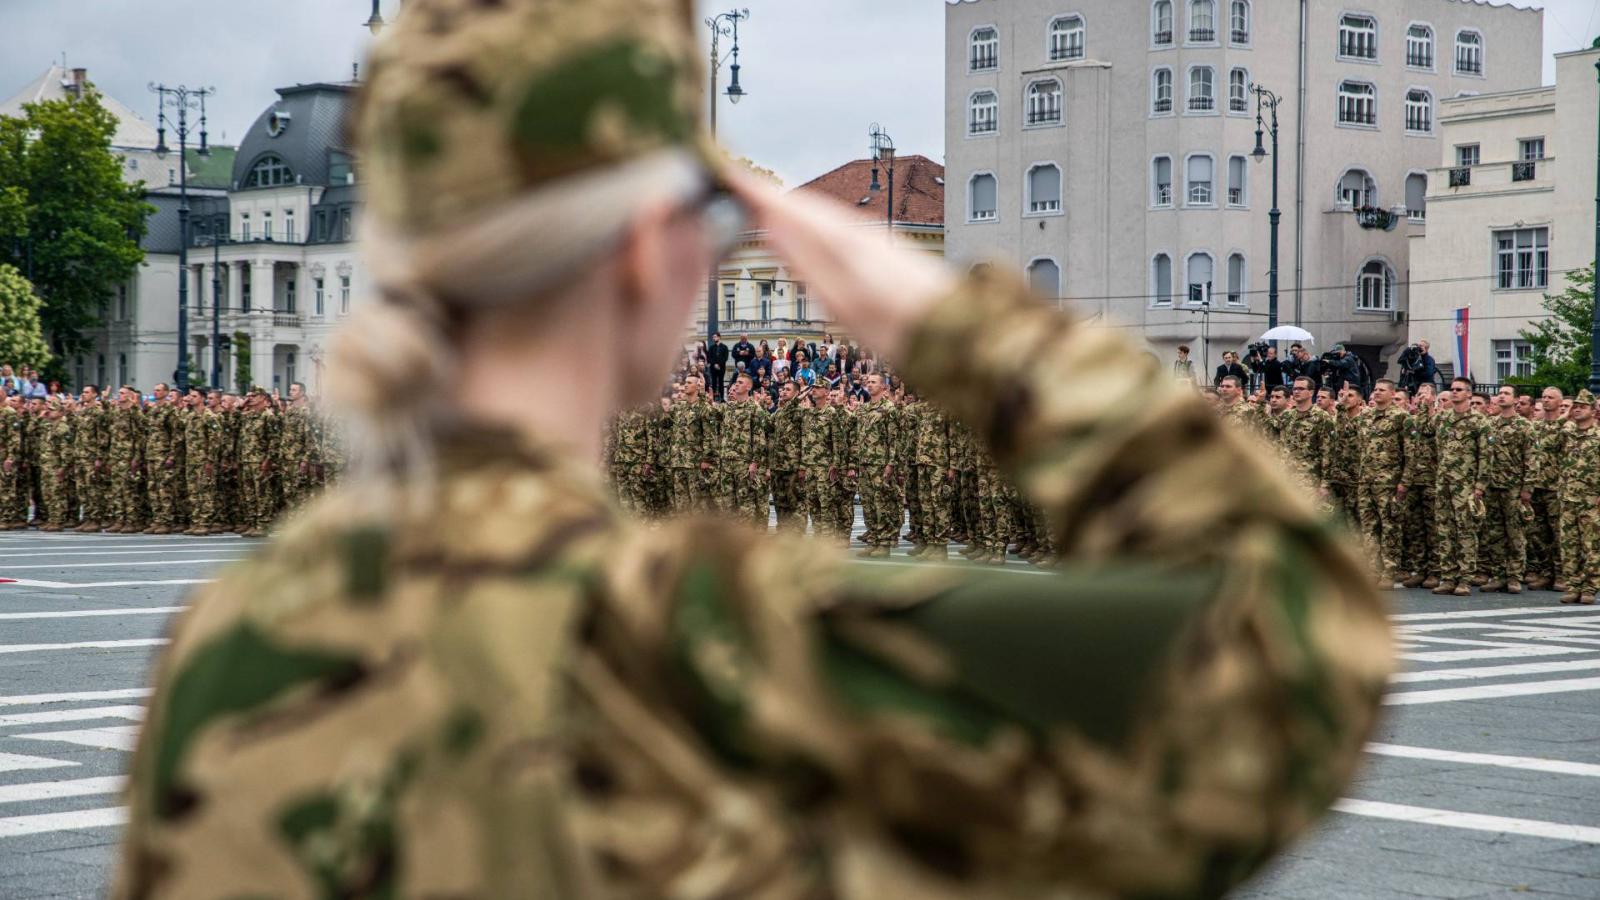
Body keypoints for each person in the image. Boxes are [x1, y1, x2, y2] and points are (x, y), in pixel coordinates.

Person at [114, 3, 1391, 897]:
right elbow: (1295, 650)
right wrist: (949, 322)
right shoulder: (710, 637)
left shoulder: (225, 642)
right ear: (649, 253)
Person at [705, 331, 730, 401]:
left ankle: (722, 398)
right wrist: (714, 364)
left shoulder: (724, 347)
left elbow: (725, 358)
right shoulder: (711, 348)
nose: (714, 338)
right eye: (713, 337)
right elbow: (709, 357)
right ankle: (713, 398)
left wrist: (719, 364)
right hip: (713, 368)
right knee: (714, 382)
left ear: (719, 337)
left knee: (721, 382)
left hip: (721, 367)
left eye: (715, 337)